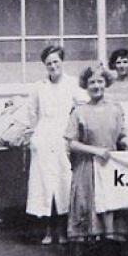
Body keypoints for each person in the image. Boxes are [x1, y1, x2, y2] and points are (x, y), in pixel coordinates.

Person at [63, 66, 128, 256]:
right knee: (84, 216)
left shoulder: (115, 108)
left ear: (106, 83)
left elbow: (121, 135)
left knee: (111, 217)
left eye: (100, 82)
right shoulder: (78, 112)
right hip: (86, 169)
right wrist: (95, 151)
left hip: (109, 169)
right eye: (92, 83)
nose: (96, 86)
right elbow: (71, 143)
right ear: (85, 86)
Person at [27, 45, 87, 245]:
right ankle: (47, 231)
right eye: (49, 63)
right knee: (45, 186)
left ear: (62, 62)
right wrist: (35, 135)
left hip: (63, 139)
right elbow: (32, 113)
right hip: (43, 140)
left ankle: (62, 231)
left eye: (56, 62)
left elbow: (84, 105)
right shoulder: (39, 86)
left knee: (62, 184)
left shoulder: (72, 84)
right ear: (45, 66)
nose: (53, 66)